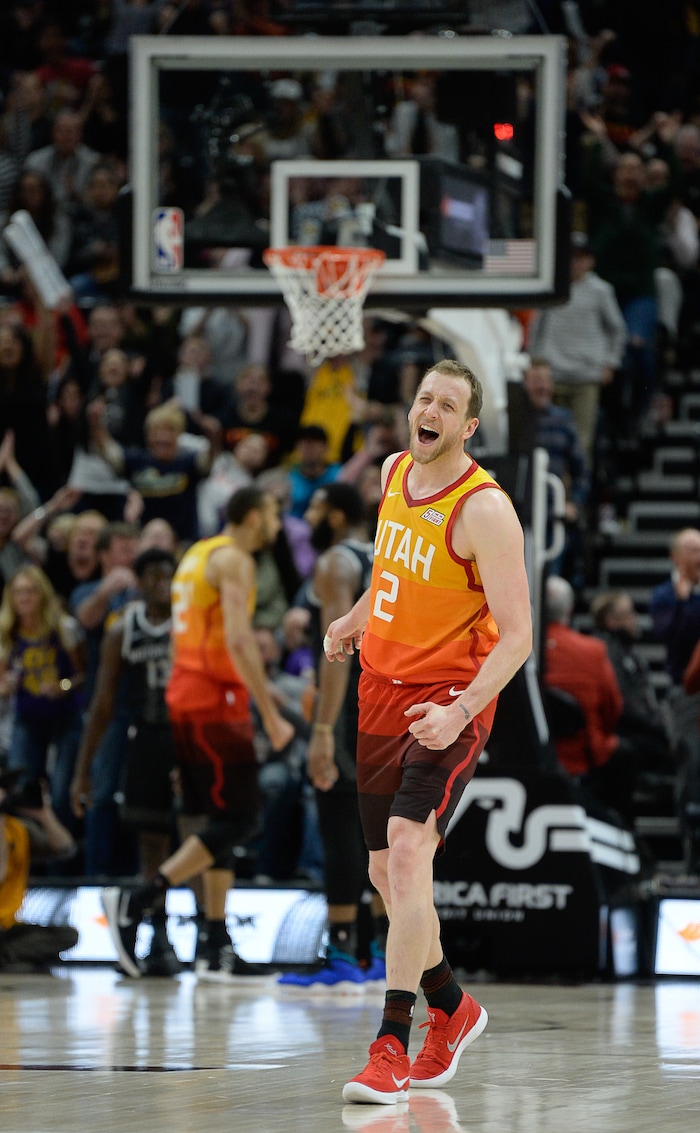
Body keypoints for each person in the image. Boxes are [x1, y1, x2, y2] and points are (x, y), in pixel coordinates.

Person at [323, 359, 532, 1104]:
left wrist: (462, 708)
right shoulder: (390, 472)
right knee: (385, 875)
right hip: (379, 689)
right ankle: (454, 1003)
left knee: (411, 853)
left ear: (468, 425)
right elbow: (391, 567)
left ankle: (392, 1041)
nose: (430, 410)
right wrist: (354, 617)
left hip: (448, 698)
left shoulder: (485, 509)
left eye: (448, 404)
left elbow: (518, 637)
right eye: (424, 397)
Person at [101, 486, 295, 981]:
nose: (278, 521)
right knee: (242, 819)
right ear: (253, 515)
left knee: (215, 824)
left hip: (185, 696)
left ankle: (213, 945)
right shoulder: (234, 559)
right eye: (274, 511)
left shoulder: (198, 553)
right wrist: (271, 715)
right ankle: (140, 897)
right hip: (214, 700)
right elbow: (236, 637)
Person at [279, 482, 386, 993]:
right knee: (386, 832)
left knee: (341, 821)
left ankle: (343, 953)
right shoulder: (392, 548)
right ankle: (383, 953)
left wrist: (322, 729)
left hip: (352, 709)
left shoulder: (336, 563)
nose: (311, 513)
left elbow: (337, 649)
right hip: (397, 701)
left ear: (339, 516)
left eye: (319, 506)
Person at [71, 548, 180, 976]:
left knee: (188, 838)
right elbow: (101, 704)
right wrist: (84, 771)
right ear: (138, 581)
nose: (161, 582)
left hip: (185, 739)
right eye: (151, 574)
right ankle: (156, 931)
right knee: (151, 841)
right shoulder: (124, 629)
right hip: (145, 740)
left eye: (167, 573)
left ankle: (190, 932)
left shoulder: (188, 624)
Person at [0, 565, 87, 835]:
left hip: (65, 718)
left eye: (30, 591)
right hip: (27, 718)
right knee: (21, 788)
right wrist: (6, 687)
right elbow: (2, 684)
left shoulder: (64, 628)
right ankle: (27, 856)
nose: (24, 598)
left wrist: (62, 685)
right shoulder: (6, 634)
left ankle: (63, 863)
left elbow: (83, 674)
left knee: (61, 793)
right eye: (18, 593)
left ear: (43, 594)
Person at [543, 575, 636, 824]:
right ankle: (623, 830)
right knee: (624, 756)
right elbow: (613, 708)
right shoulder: (593, 651)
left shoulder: (523, 652)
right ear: (571, 610)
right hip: (583, 756)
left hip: (535, 753)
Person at [528, 231, 627, 461]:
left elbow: (617, 330)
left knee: (582, 443)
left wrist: (610, 363)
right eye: (572, 256)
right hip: (552, 374)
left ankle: (577, 496)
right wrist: (534, 362)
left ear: (591, 260)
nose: (576, 262)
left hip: (586, 376)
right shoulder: (551, 285)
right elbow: (536, 326)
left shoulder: (601, 291)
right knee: (546, 441)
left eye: (582, 257)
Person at [0, 769, 78, 972]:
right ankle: (10, 957)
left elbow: (65, 848)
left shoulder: (17, 829)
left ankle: (7, 956)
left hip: (8, 926)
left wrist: (44, 815)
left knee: (68, 935)